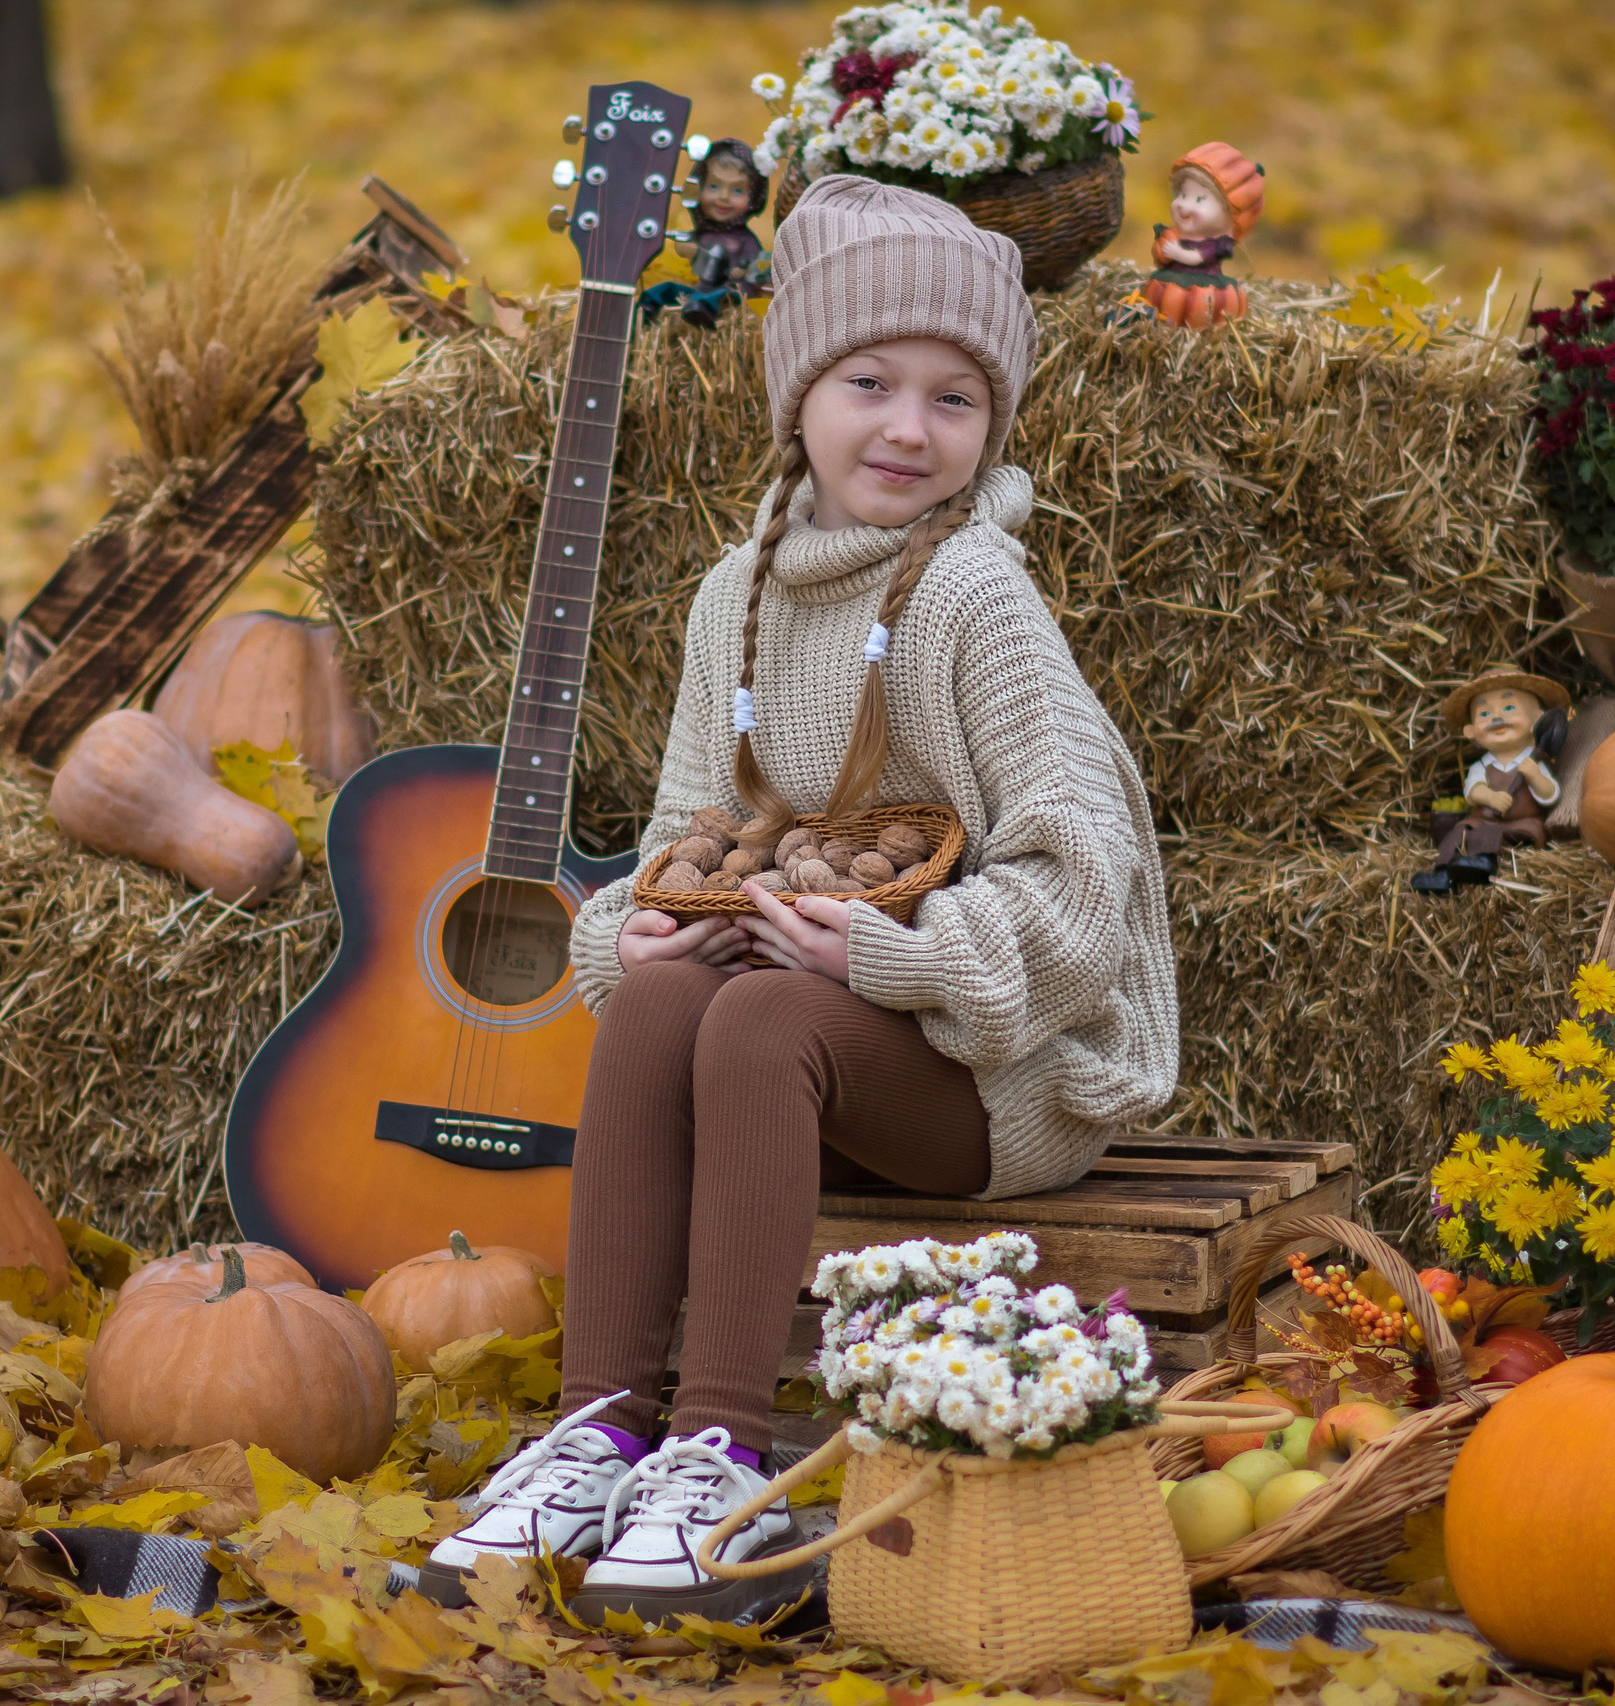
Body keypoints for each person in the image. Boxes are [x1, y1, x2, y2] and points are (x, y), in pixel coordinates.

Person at [419, 175, 1179, 1624]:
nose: (909, 426)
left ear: (992, 428)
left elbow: (1090, 884)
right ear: (799, 397)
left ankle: (721, 1448)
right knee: (664, 988)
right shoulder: (737, 600)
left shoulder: (976, 600)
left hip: (993, 1067)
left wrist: (896, 944)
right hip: (823, 1021)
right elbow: (684, 829)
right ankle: (602, 1428)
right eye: (871, 381)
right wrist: (623, 926)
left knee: (765, 1013)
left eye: (956, 398)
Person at [1412, 669, 1570, 896]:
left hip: (1522, 824)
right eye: (1484, 713)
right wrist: (1489, 797)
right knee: (1458, 832)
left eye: (1508, 708)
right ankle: (1442, 873)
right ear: (1471, 732)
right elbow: (1472, 791)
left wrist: (1535, 776)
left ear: (1537, 719)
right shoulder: (1482, 766)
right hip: (1482, 819)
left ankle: (1483, 862)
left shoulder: (1533, 762)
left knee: (1489, 833)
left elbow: (1550, 795)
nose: (1496, 718)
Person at [639, 139, 770, 329]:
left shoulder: (745, 240)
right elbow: (683, 251)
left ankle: (704, 311)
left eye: (737, 190)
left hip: (731, 293)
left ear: (754, 197)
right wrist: (687, 250)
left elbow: (759, 266)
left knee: (726, 294)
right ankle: (647, 306)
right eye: (714, 187)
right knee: (668, 288)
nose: (723, 197)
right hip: (697, 290)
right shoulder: (700, 234)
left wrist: (745, 270)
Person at [1140, 142, 1265, 330]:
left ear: (1231, 218)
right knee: (1158, 288)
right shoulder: (1175, 234)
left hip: (1205, 285)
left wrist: (1177, 253)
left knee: (1193, 298)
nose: (1183, 205)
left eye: (1199, 199)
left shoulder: (1218, 244)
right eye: (1182, 195)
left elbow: (1197, 257)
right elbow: (1160, 255)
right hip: (1171, 277)